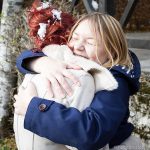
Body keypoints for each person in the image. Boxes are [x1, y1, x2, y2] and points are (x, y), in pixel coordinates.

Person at [14, 1, 144, 149]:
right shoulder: (73, 58)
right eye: (74, 38)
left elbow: (92, 133)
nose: (77, 46)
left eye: (90, 42)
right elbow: (25, 56)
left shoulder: (115, 84)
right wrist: (41, 62)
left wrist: (32, 108)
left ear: (112, 50)